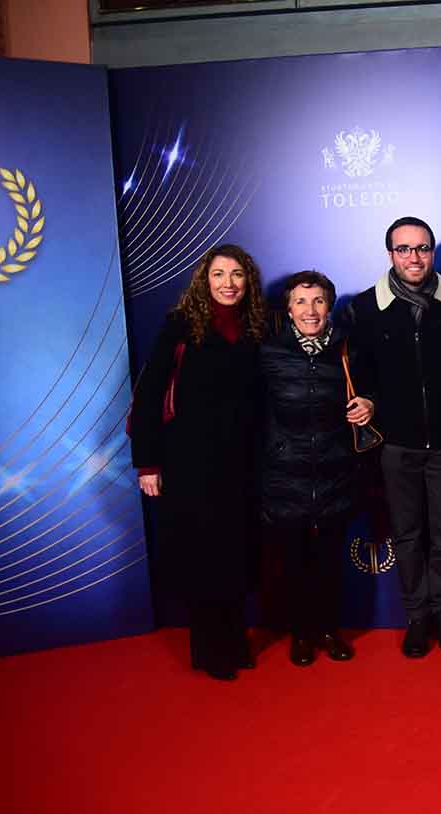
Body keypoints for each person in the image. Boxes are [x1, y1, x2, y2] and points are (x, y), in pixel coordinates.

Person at [130, 244, 266, 681]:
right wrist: (147, 463)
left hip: (241, 463)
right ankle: (209, 651)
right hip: (190, 463)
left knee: (236, 554)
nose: (228, 283)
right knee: (203, 556)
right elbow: (149, 394)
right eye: (218, 274)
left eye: (237, 274)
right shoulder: (181, 325)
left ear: (248, 281)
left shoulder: (257, 326)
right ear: (203, 280)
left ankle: (234, 642)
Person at [348, 216, 441, 658]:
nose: (414, 257)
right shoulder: (364, 308)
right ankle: (417, 617)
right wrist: (370, 401)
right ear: (390, 254)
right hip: (397, 445)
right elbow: (361, 375)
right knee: (408, 535)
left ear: (432, 252)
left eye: (422, 248)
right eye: (404, 249)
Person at [260, 270, 374, 666]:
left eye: (319, 301)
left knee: (329, 562)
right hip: (285, 475)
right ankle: (301, 634)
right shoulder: (268, 352)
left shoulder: (349, 349)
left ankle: (328, 631)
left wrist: (369, 403)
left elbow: (375, 390)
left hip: (336, 472)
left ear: (330, 306)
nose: (310, 310)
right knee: (293, 563)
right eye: (301, 302)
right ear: (289, 309)